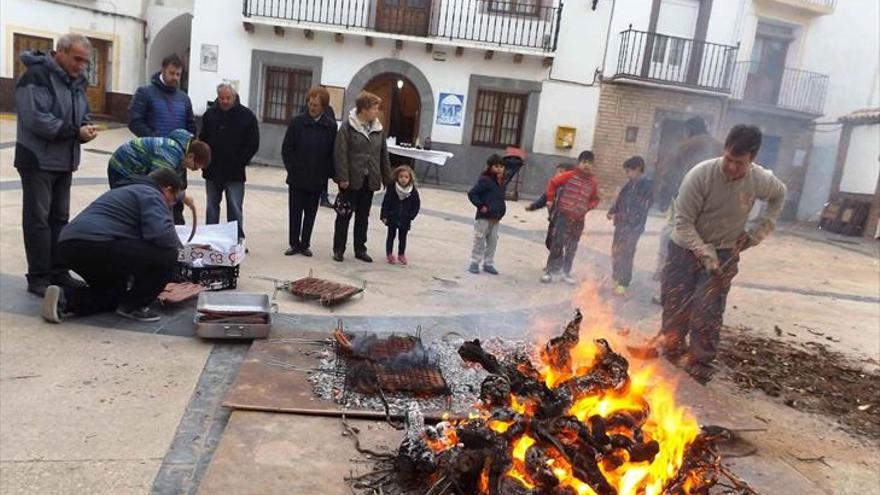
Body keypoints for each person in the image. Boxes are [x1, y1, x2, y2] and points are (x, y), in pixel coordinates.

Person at [659, 125, 787, 384]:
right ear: (724, 150)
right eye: (728, 158)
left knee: (708, 309)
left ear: (752, 157)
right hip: (685, 248)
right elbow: (683, 223)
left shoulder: (760, 180)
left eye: (738, 163)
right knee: (675, 302)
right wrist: (705, 253)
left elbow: (779, 195)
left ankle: (700, 362)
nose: (731, 167)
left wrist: (757, 232)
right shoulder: (700, 175)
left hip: (726, 250)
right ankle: (672, 348)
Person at [41, 169, 185, 324]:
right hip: (97, 242)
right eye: (174, 200)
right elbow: (161, 235)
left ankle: (64, 299)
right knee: (167, 255)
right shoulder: (151, 194)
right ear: (167, 189)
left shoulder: (126, 190)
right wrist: (182, 253)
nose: (171, 205)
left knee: (115, 292)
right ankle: (134, 306)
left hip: (69, 245)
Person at [14, 33, 98, 297]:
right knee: (38, 220)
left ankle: (57, 271)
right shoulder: (36, 76)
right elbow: (36, 119)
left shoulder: (77, 82)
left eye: (85, 62)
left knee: (60, 219)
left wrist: (86, 125)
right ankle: (38, 276)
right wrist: (75, 132)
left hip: (64, 160)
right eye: (77, 59)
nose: (81, 66)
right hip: (38, 160)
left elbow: (81, 113)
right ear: (59, 52)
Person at [653, 117, 723, 294]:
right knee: (700, 243)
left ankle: (665, 280)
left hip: (684, 200)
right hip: (710, 207)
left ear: (689, 130)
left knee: (671, 235)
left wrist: (664, 196)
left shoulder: (687, 146)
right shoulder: (719, 147)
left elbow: (671, 173)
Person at [128, 53, 197, 224]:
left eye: (178, 75)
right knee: (152, 205)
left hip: (177, 165)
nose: (175, 78)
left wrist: (188, 148)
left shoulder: (184, 99)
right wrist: (157, 141)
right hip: (152, 161)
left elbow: (191, 126)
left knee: (176, 211)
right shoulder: (145, 93)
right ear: (163, 70)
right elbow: (134, 121)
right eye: (171, 73)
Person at [332, 91, 392, 262]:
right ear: (364, 109)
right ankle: (339, 248)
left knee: (363, 216)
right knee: (344, 214)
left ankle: (360, 248)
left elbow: (383, 154)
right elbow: (340, 152)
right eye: (374, 108)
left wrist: (387, 177)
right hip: (351, 179)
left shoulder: (378, 129)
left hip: (369, 179)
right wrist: (342, 177)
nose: (376, 111)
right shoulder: (348, 126)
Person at [198, 83, 259, 242]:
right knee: (212, 206)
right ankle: (210, 238)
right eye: (222, 98)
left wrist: (241, 161)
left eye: (228, 98)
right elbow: (202, 140)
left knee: (234, 207)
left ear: (234, 97)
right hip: (212, 170)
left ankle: (236, 239)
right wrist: (204, 161)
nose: (225, 101)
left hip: (235, 171)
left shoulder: (247, 116)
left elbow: (253, 143)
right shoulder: (209, 115)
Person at [283, 86, 337, 257]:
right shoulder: (297, 122)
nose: (312, 107)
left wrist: (327, 173)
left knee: (310, 213)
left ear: (323, 107)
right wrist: (292, 167)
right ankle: (294, 243)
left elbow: (332, 152)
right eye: (310, 104)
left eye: (316, 105)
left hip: (316, 177)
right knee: (295, 212)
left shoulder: (330, 126)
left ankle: (305, 244)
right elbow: (287, 149)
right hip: (297, 176)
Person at [107, 129, 210, 218]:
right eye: (195, 167)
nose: (192, 170)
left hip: (133, 167)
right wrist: (182, 196)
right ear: (191, 156)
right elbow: (157, 182)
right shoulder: (171, 154)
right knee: (129, 206)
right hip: (122, 167)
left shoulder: (178, 152)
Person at [540, 151, 600, 284]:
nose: (586, 165)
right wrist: (550, 199)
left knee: (572, 246)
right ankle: (549, 271)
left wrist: (587, 207)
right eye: (584, 162)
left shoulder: (593, 182)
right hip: (563, 216)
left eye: (589, 163)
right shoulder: (569, 175)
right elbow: (553, 183)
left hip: (578, 219)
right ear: (579, 163)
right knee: (557, 243)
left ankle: (565, 272)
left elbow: (595, 199)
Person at [607, 156, 654, 296]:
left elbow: (640, 209)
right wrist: (612, 210)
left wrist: (620, 216)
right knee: (616, 251)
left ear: (638, 169)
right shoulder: (628, 185)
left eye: (628, 171)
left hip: (634, 228)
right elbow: (620, 200)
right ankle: (615, 277)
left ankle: (623, 282)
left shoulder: (647, 187)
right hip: (621, 226)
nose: (627, 174)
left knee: (627, 253)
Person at [467, 154, 507, 275]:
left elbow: (499, 199)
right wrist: (481, 206)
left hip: (495, 218)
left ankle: (488, 263)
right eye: (496, 166)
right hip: (484, 217)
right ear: (490, 167)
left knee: (493, 241)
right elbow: (472, 194)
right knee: (480, 239)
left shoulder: (501, 182)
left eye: (501, 166)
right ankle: (475, 262)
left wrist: (500, 214)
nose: (499, 169)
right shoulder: (485, 180)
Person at [525, 163, 574, 251]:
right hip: (553, 220)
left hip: (564, 222)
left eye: (561, 172)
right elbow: (543, 199)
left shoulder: (570, 190)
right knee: (549, 243)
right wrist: (532, 207)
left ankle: (555, 263)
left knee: (557, 244)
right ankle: (555, 261)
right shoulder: (553, 188)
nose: (557, 175)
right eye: (557, 172)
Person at [381, 165, 421, 265]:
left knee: (402, 237)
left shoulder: (412, 191)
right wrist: (384, 215)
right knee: (391, 235)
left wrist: (411, 215)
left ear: (410, 178)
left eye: (406, 177)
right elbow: (386, 202)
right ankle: (389, 253)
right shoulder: (392, 188)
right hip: (392, 216)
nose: (403, 179)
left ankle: (401, 254)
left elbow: (416, 204)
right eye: (401, 177)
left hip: (405, 218)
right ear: (397, 177)